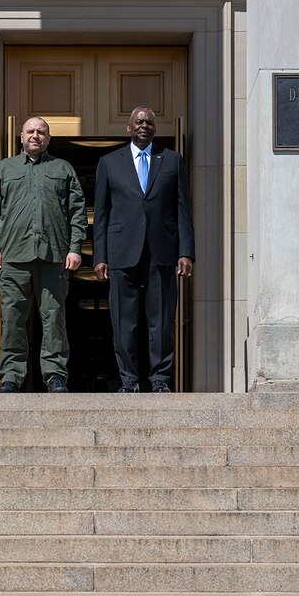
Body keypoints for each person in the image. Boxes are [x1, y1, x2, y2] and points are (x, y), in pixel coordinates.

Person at [0, 115, 87, 393]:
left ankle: (54, 375)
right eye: (30, 131)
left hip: (53, 257)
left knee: (53, 317)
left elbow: (77, 211)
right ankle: (11, 376)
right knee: (13, 317)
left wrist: (75, 248)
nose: (35, 136)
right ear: (21, 137)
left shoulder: (62, 168)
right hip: (14, 257)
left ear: (48, 138)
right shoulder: (5, 168)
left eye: (41, 132)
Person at [93, 106, 194, 392]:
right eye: (138, 122)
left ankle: (160, 380)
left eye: (149, 122)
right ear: (128, 128)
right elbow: (101, 213)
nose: (144, 126)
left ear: (155, 129)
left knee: (160, 321)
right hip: (121, 252)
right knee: (124, 321)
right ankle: (129, 380)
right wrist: (100, 256)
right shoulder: (109, 163)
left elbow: (182, 209)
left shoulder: (172, 160)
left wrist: (186, 251)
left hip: (162, 251)